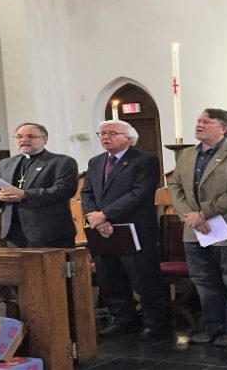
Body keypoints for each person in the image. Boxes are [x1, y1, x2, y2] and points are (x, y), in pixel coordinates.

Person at [169, 109, 227, 347]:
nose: (199, 124)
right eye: (198, 120)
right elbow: (175, 186)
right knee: (204, 281)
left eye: (206, 122)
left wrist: (204, 213)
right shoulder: (188, 154)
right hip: (194, 228)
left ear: (223, 128)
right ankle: (213, 326)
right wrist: (189, 216)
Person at [80, 120, 169, 341]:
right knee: (110, 277)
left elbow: (139, 194)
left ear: (129, 138)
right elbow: (87, 193)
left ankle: (155, 323)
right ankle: (123, 320)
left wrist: (106, 214)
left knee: (143, 278)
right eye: (101, 133)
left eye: (111, 133)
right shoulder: (96, 161)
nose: (104, 137)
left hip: (135, 227)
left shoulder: (145, 160)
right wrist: (95, 217)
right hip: (102, 229)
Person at [0, 122, 78, 248]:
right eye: (19, 137)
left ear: (45, 139)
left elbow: (64, 189)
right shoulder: (5, 164)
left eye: (31, 136)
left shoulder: (61, 162)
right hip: (13, 233)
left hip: (50, 233)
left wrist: (25, 194)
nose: (24, 140)